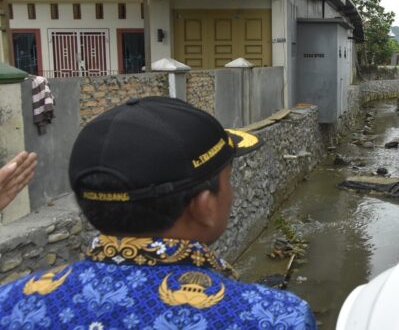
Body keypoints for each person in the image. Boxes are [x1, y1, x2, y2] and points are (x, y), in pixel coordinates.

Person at [0, 97, 316, 329]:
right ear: (205, 206)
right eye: (228, 181)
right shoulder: (276, 318)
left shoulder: (12, 303)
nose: (232, 194)